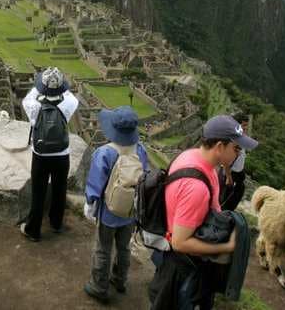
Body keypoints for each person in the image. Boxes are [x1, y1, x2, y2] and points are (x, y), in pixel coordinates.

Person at [149, 115, 258, 310]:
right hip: (183, 270)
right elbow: (180, 242)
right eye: (236, 148)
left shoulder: (192, 157)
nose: (237, 154)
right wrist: (226, 248)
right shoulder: (196, 187)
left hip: (177, 260)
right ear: (219, 147)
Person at [83, 106, 149, 303]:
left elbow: (95, 183)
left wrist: (90, 203)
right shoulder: (141, 150)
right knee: (124, 248)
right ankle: (120, 280)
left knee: (103, 248)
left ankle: (99, 286)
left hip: (108, 212)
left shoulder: (104, 153)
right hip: (130, 211)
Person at [19, 67, 79, 241]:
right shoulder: (69, 104)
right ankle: (56, 223)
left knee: (39, 192)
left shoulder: (33, 105)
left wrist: (41, 85)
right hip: (62, 153)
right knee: (60, 188)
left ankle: (33, 230)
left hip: (41, 154)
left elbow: (31, 94)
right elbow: (69, 94)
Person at [219, 112, 251, 211]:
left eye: (247, 126)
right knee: (225, 201)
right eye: (244, 125)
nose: (246, 128)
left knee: (235, 196)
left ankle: (226, 216)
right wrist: (228, 177)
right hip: (230, 175)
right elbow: (225, 160)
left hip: (237, 174)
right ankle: (221, 219)